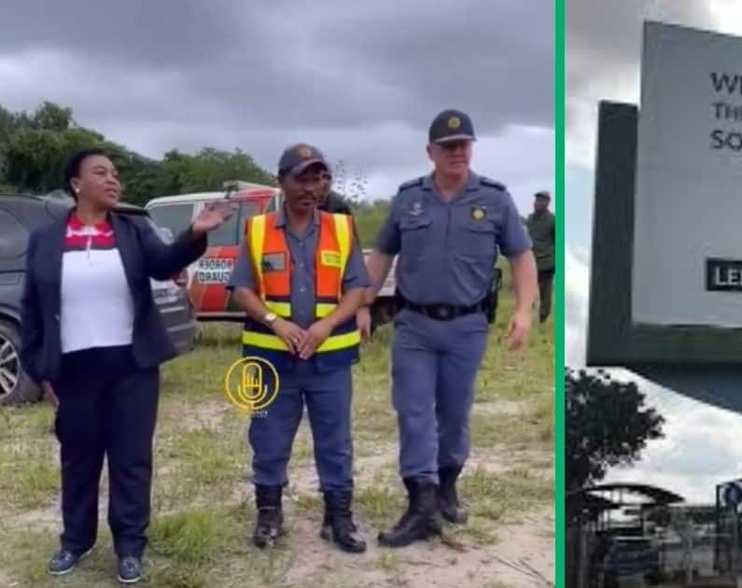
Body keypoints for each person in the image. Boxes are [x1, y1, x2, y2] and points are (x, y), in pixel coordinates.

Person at [20, 148, 231, 583]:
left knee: (131, 459)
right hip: (74, 371)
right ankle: (75, 541)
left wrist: (195, 232)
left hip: (131, 367)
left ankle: (130, 546)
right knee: (78, 459)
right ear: (77, 184)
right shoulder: (45, 239)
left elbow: (164, 262)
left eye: (116, 174)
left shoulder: (133, 230)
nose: (113, 180)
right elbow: (33, 310)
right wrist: (41, 371)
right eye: (101, 173)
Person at [365, 109, 538, 547]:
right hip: (415, 325)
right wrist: (362, 305)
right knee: (414, 410)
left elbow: (521, 256)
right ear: (431, 152)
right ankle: (421, 502)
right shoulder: (409, 199)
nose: (457, 153)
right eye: (448, 147)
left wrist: (523, 311)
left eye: (464, 145)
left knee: (455, 413)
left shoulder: (495, 199)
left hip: (467, 326)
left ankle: (447, 486)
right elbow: (382, 254)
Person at [227, 143, 371, 553]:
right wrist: (277, 323)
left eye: (321, 178)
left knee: (335, 440)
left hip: (330, 360)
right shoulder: (256, 230)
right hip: (271, 359)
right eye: (304, 178)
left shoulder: (342, 228)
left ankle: (338, 518)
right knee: (268, 437)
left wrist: (326, 325)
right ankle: (269, 515)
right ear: (282, 182)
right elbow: (241, 289)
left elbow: (358, 286)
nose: (314, 187)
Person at [316, 184, 373, 339]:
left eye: (325, 177)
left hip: (337, 321)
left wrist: (363, 308)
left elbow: (356, 271)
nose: (322, 182)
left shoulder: (337, 208)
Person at [526, 190, 555, 323]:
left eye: (541, 200)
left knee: (545, 293)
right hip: (530, 261)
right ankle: (526, 316)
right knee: (527, 291)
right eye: (537, 200)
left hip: (546, 263)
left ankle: (543, 317)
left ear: (547, 203)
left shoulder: (553, 220)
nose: (538, 203)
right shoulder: (530, 218)